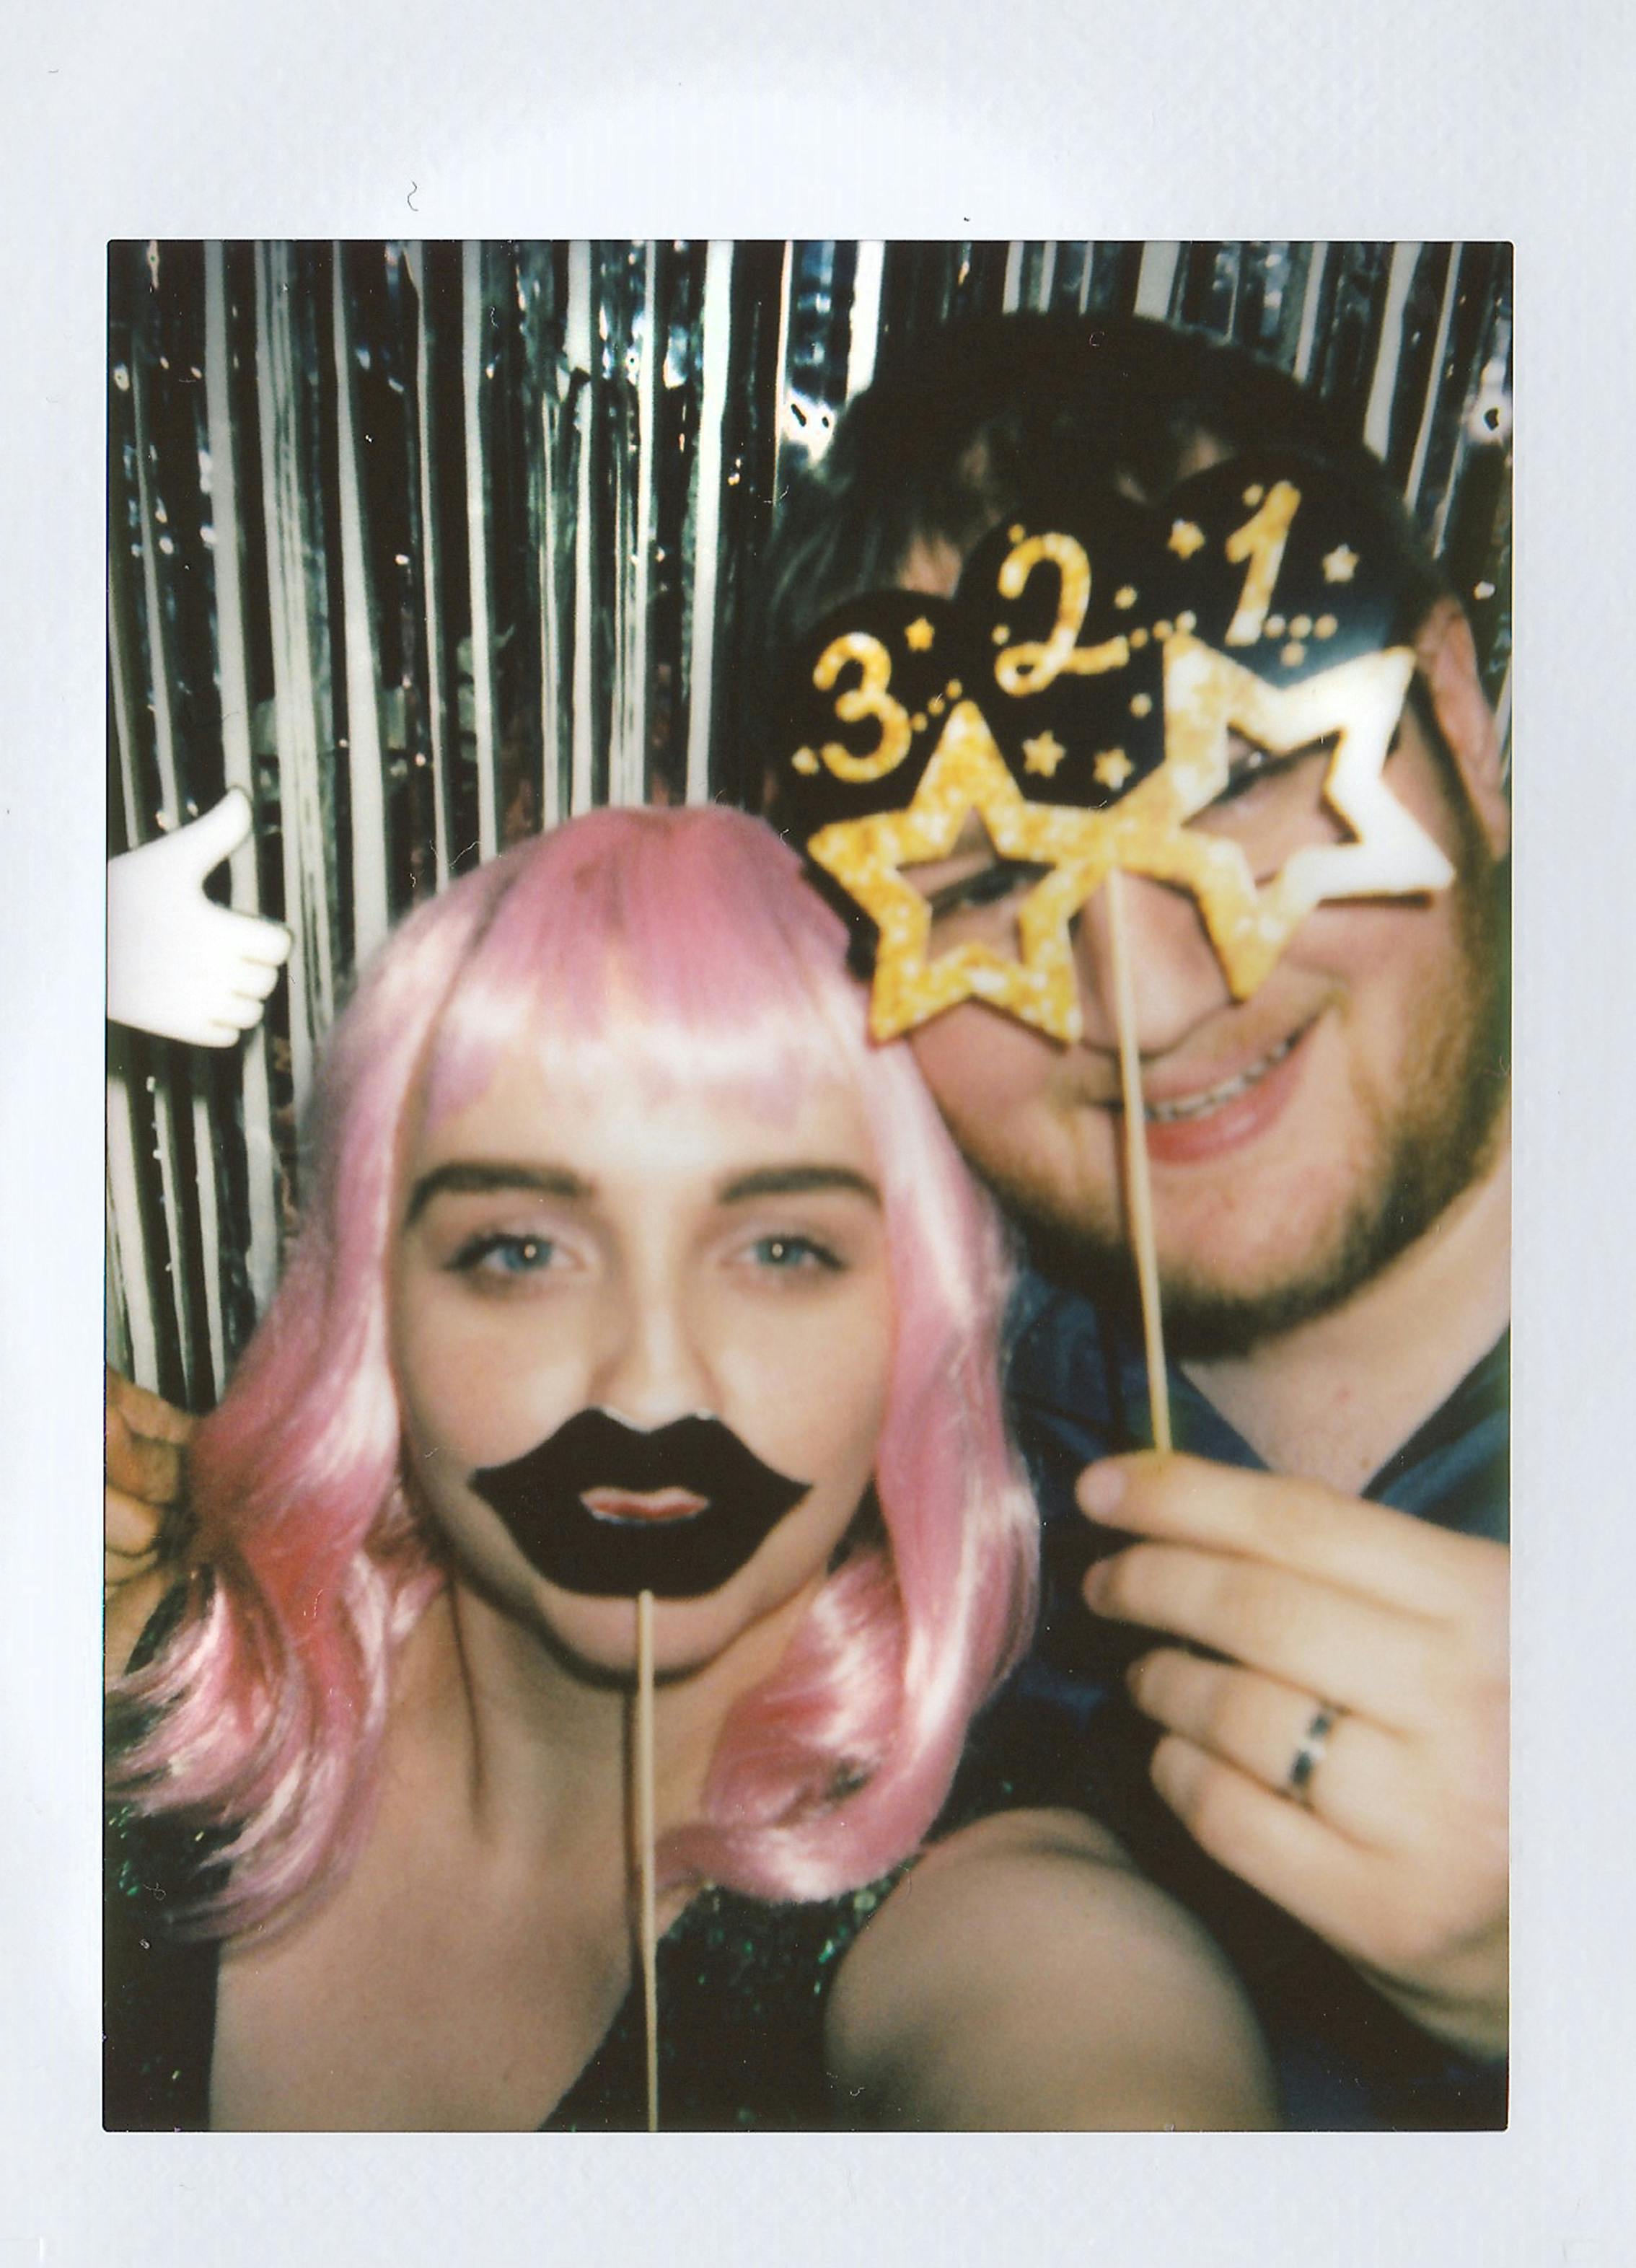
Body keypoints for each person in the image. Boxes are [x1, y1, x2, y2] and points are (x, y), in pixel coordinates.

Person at [107, 804, 1277, 2131]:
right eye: (521, 1250)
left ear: (921, 1320)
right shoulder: (116, 1711)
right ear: (374, 1310)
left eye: (782, 1250)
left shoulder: (997, 1938)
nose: (654, 1386)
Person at [756, 312, 1510, 2129]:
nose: (1150, 995)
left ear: (1463, 725)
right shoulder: (919, 1411)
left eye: (1238, 776)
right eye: (993, 875)